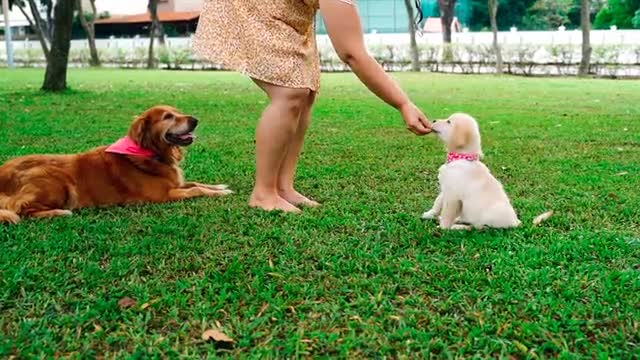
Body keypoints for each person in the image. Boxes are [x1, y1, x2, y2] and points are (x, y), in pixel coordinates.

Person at [193, 0, 432, 213]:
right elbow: (352, 53)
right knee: (290, 92)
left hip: (289, 14)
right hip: (250, 8)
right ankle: (264, 193)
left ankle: (283, 187)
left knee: (305, 92)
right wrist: (403, 104)